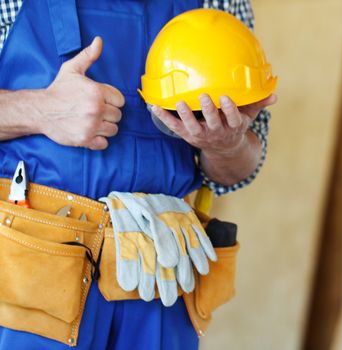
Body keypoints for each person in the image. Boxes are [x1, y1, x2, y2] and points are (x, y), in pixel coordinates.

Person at [0, 0, 276, 349]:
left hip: (161, 275)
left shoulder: (220, 3)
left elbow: (243, 165)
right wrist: (40, 111)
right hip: (33, 284)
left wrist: (225, 145)